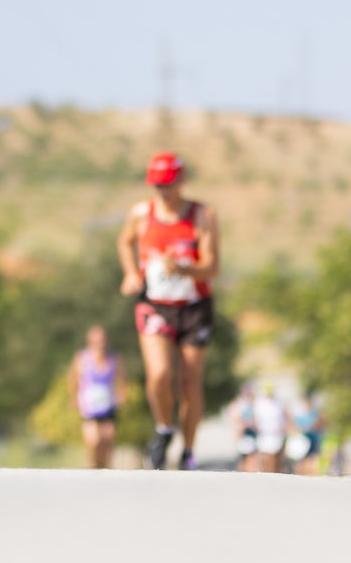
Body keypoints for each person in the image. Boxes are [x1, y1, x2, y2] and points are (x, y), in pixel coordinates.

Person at [117, 152, 220, 471]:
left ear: (182, 181)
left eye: (169, 184)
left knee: (189, 383)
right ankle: (164, 429)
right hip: (155, 305)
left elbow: (212, 268)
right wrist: (131, 273)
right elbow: (124, 241)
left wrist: (184, 270)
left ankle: (188, 450)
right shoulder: (141, 213)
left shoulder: (202, 215)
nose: (163, 191)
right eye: (157, 185)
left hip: (193, 307)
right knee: (159, 374)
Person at [67, 325, 127, 469]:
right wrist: (73, 396)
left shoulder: (114, 358)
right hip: (89, 407)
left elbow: (123, 378)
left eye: (102, 340)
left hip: (108, 405)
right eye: (96, 341)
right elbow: (72, 378)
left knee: (108, 440)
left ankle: (106, 470)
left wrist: (123, 394)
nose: (100, 344)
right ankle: (93, 467)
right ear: (90, 342)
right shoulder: (82, 358)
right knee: (94, 441)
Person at [252, 384, 287, 473]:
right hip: (264, 433)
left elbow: (283, 418)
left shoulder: (278, 404)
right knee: (264, 454)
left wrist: (282, 428)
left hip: (276, 434)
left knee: (274, 456)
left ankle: (274, 472)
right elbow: (255, 419)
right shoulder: (259, 404)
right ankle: (265, 472)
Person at [288, 393, 325, 475]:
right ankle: (300, 474)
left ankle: (311, 475)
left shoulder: (315, 413)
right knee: (301, 459)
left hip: (313, 437)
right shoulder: (300, 414)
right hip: (303, 439)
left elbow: (320, 424)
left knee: (312, 458)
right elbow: (293, 425)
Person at [228, 384, 258, 472]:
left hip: (252, 432)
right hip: (242, 433)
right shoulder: (238, 403)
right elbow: (234, 418)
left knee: (252, 455)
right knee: (243, 457)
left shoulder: (253, 403)